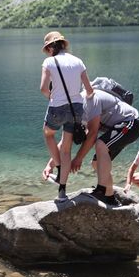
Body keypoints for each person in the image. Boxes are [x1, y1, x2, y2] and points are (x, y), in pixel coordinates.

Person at [39, 31, 93, 199]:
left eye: (47, 48)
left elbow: (43, 88)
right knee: (67, 149)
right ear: (63, 44)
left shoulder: (49, 62)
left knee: (48, 134)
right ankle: (62, 191)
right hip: (76, 109)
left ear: (50, 48)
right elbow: (89, 90)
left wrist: (52, 96)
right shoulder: (78, 61)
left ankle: (60, 167)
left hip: (57, 107)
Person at [69, 85, 139, 206]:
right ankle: (109, 196)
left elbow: (92, 135)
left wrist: (78, 158)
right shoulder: (79, 109)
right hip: (120, 128)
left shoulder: (89, 99)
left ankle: (101, 190)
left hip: (131, 124)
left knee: (101, 144)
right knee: (96, 163)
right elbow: (89, 132)